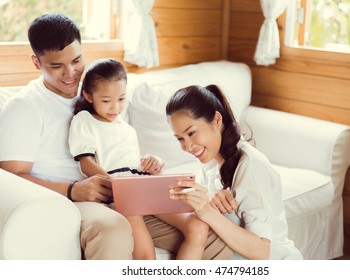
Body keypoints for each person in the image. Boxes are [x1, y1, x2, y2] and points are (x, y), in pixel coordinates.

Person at [0, 13, 231, 260]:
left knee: (212, 237)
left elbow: (114, 147)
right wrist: (72, 190)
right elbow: (11, 179)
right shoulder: (25, 107)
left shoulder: (96, 91)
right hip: (72, 201)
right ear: (36, 62)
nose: (71, 74)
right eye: (56, 66)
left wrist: (142, 165)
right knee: (115, 229)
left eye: (77, 60)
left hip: (122, 190)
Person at [69, 58, 211, 260]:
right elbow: (86, 163)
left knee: (198, 226)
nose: (115, 108)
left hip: (142, 185)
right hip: (123, 193)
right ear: (88, 96)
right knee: (146, 256)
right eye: (106, 101)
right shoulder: (84, 120)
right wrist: (117, 185)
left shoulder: (126, 129)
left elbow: (132, 161)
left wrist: (153, 162)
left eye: (121, 99)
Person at [165, 84, 303, 260]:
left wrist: (206, 210)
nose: (188, 146)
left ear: (216, 120)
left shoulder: (250, 165)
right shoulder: (209, 158)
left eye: (192, 133)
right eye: (180, 139)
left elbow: (261, 251)